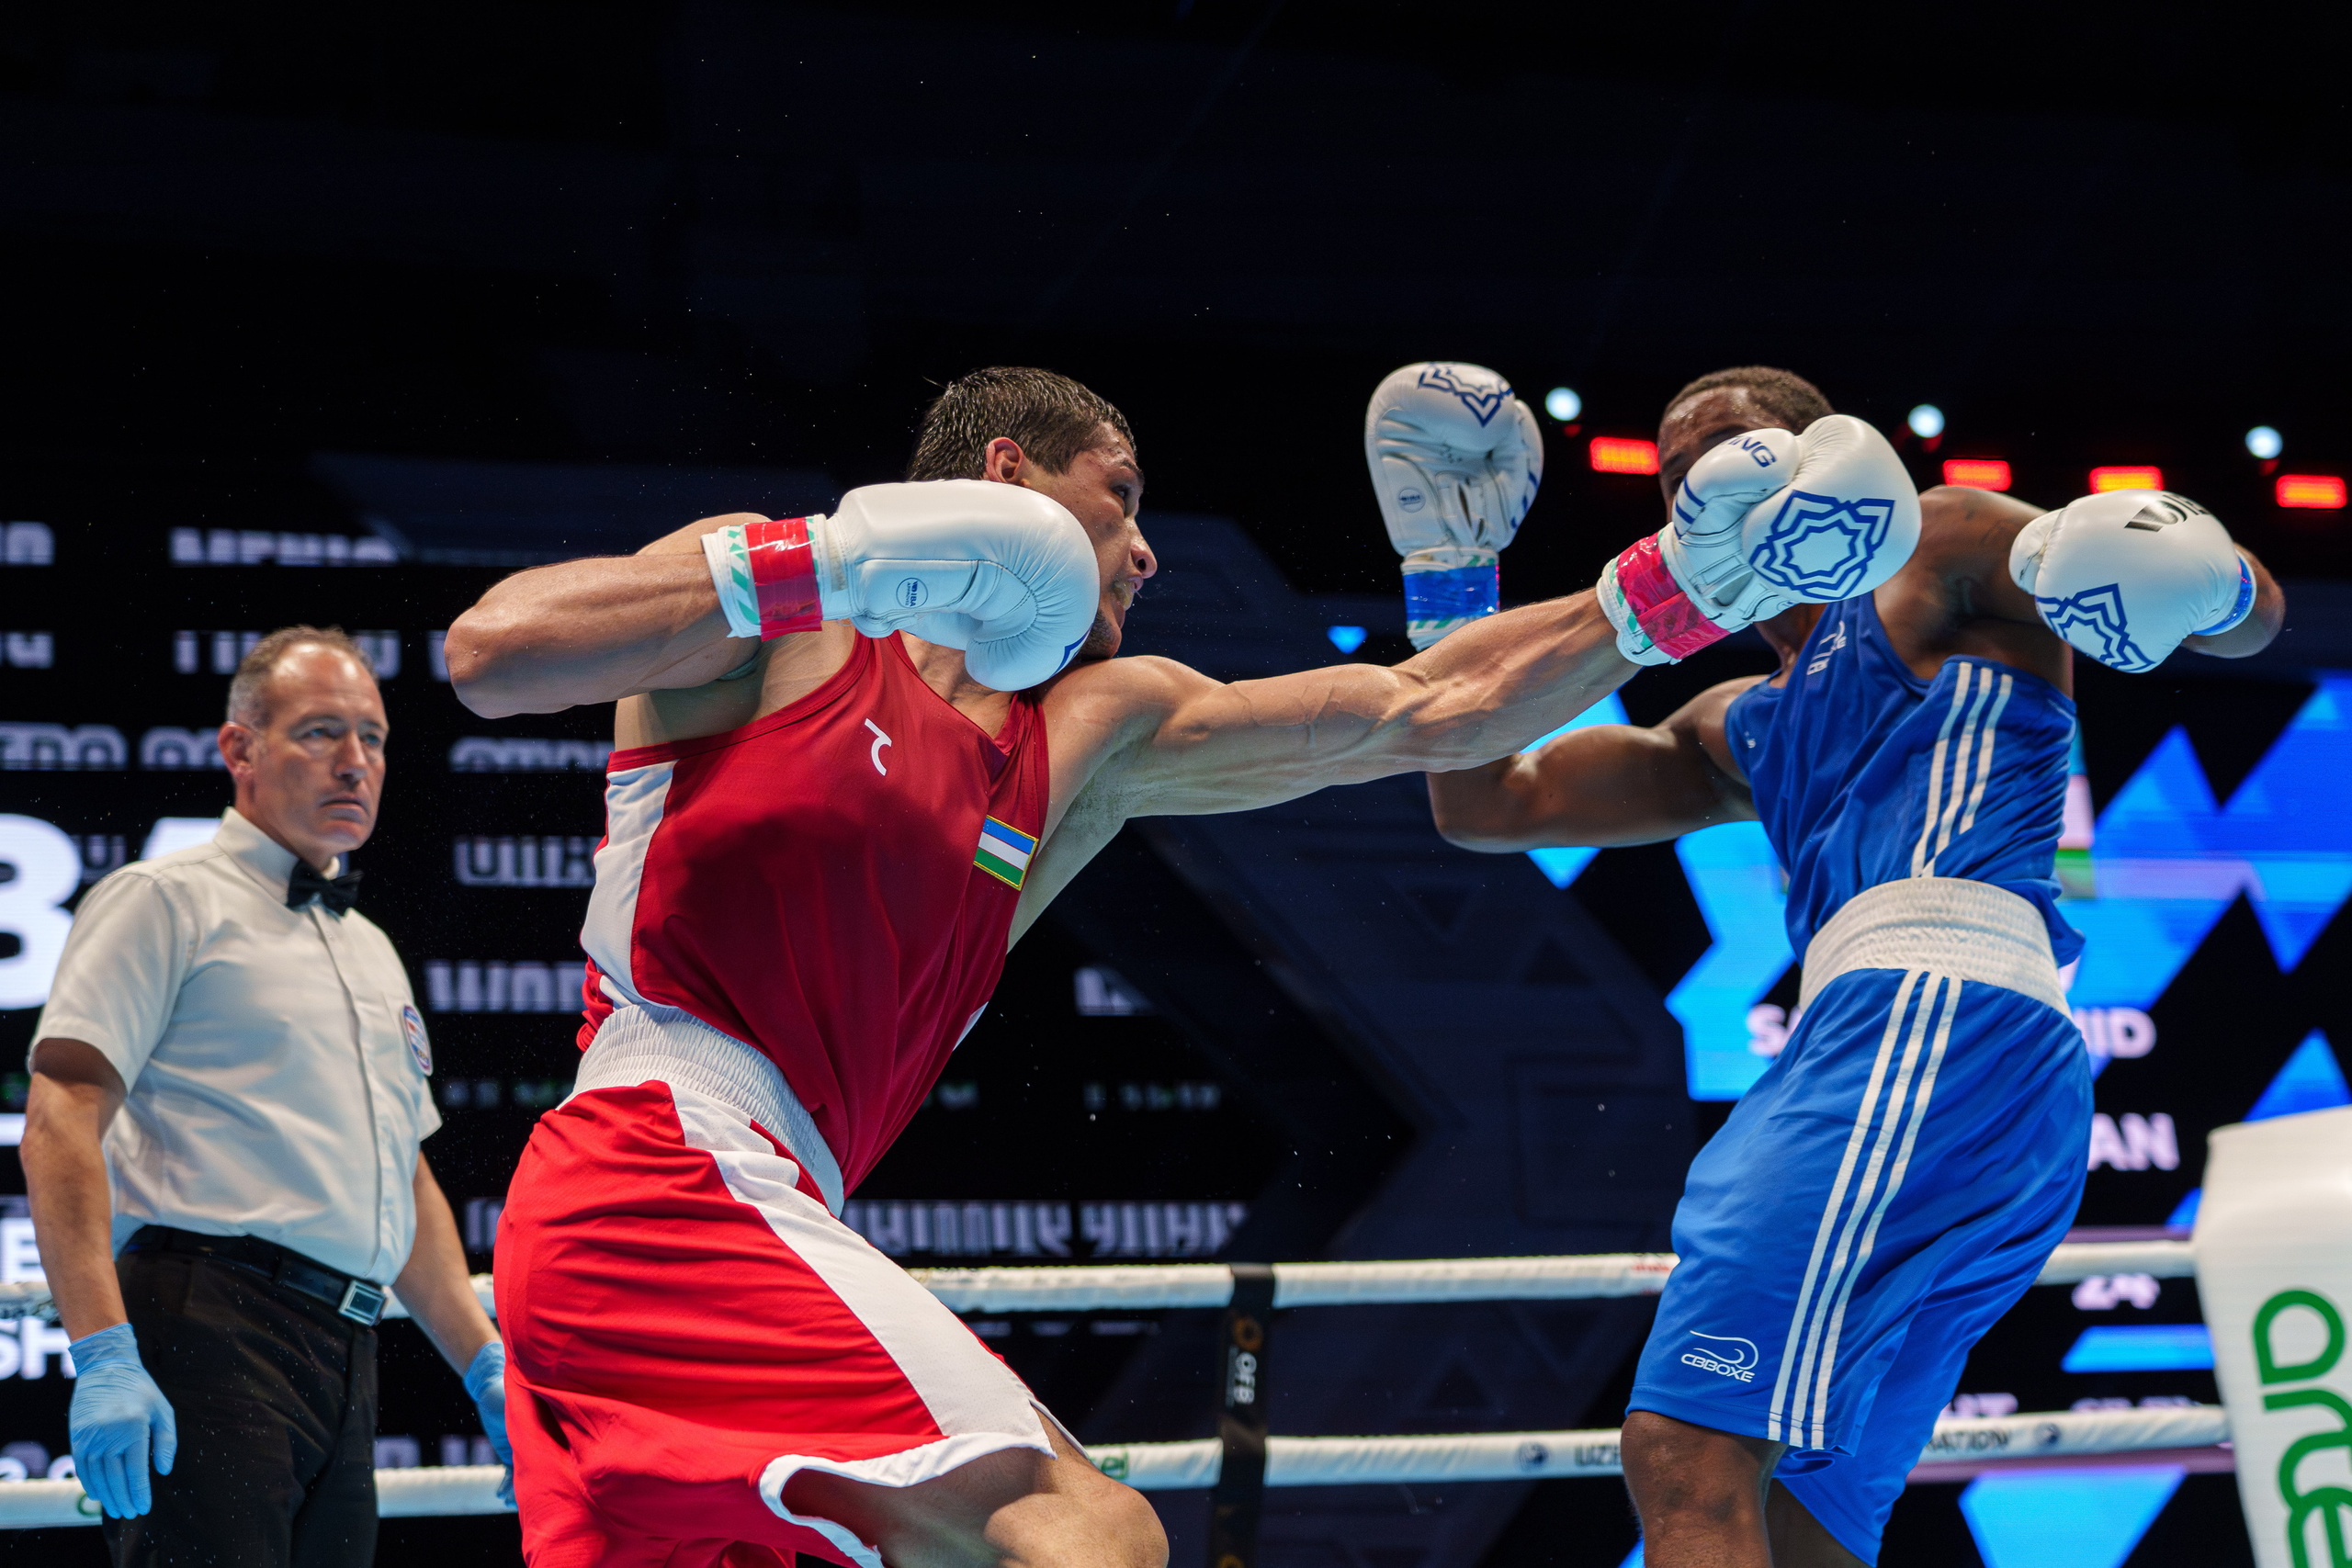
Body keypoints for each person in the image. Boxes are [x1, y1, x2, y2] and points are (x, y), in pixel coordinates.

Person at [443, 360, 1916, 1568]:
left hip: (748, 1198)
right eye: (1121, 497)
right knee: (1086, 1538)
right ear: (1006, 478)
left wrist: (1676, 587)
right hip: (661, 1156)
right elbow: (493, 654)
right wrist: (831, 557)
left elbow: (1419, 711)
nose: (1146, 547)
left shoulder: (1091, 729)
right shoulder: (801, 627)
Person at [1425, 366, 2283, 1568]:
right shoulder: (1740, 724)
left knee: (1686, 1445)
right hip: (1963, 1066)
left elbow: (2247, 617)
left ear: (1830, 452)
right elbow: (1484, 801)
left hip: (1929, 1024)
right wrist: (1447, 581)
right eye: (1683, 478)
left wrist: (2215, 575)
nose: (1718, 484)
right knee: (1802, 1513)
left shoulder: (1945, 539)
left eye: (1743, 447)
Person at [20, 626, 514, 1565]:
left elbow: (399, 1179)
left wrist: (483, 1365)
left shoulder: (369, 946)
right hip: (207, 1322)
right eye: (320, 732)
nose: (355, 762)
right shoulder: (162, 901)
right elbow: (61, 1118)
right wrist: (103, 1352)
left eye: (371, 738)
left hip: (347, 1348)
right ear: (238, 748)